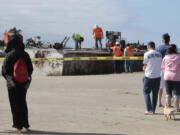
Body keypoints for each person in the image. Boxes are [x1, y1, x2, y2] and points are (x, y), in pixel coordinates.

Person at [2, 34, 33, 133]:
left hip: (12, 85)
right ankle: (26, 125)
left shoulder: (10, 54)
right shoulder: (25, 54)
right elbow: (30, 69)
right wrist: (27, 82)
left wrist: (11, 82)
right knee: (23, 103)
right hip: (23, 83)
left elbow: (4, 71)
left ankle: (18, 126)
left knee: (15, 104)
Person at [143, 42, 162, 114]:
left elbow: (145, 65)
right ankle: (153, 109)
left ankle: (149, 109)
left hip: (149, 75)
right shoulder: (159, 54)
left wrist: (144, 68)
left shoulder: (146, 54)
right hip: (157, 75)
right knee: (155, 94)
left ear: (149, 46)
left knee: (146, 92)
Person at [161, 44, 180, 112]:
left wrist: (166, 72)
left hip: (167, 76)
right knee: (176, 93)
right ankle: (177, 108)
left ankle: (167, 106)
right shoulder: (179, 57)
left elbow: (162, 67)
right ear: (175, 49)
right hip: (177, 77)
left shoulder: (166, 57)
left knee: (168, 93)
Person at [156, 33, 170, 107]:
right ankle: (168, 103)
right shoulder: (171, 48)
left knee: (160, 86)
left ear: (163, 40)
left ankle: (159, 102)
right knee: (169, 86)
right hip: (169, 69)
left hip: (160, 69)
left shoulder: (158, 47)